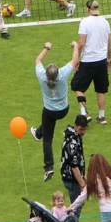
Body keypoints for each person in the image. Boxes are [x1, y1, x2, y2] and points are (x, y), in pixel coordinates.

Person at [31, 41, 80, 181]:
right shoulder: (62, 75)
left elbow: (38, 60)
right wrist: (75, 46)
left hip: (49, 112)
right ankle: (38, 132)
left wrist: (46, 47)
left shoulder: (42, 76)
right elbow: (75, 60)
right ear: (58, 71)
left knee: (48, 140)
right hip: (63, 110)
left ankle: (48, 168)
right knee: (45, 130)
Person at [72, 0, 111, 123]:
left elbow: (81, 43)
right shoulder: (105, 22)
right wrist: (110, 58)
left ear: (88, 9)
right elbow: (109, 43)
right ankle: (101, 117)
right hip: (101, 61)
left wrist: (76, 59)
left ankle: (84, 113)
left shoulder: (84, 22)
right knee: (101, 89)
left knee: (76, 86)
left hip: (88, 61)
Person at [59, 114, 89, 202]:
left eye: (85, 129)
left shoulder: (76, 137)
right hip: (72, 179)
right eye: (81, 129)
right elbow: (74, 167)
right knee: (76, 207)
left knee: (77, 205)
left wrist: (84, 175)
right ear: (75, 126)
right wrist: (83, 185)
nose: (83, 132)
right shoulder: (72, 143)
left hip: (73, 178)